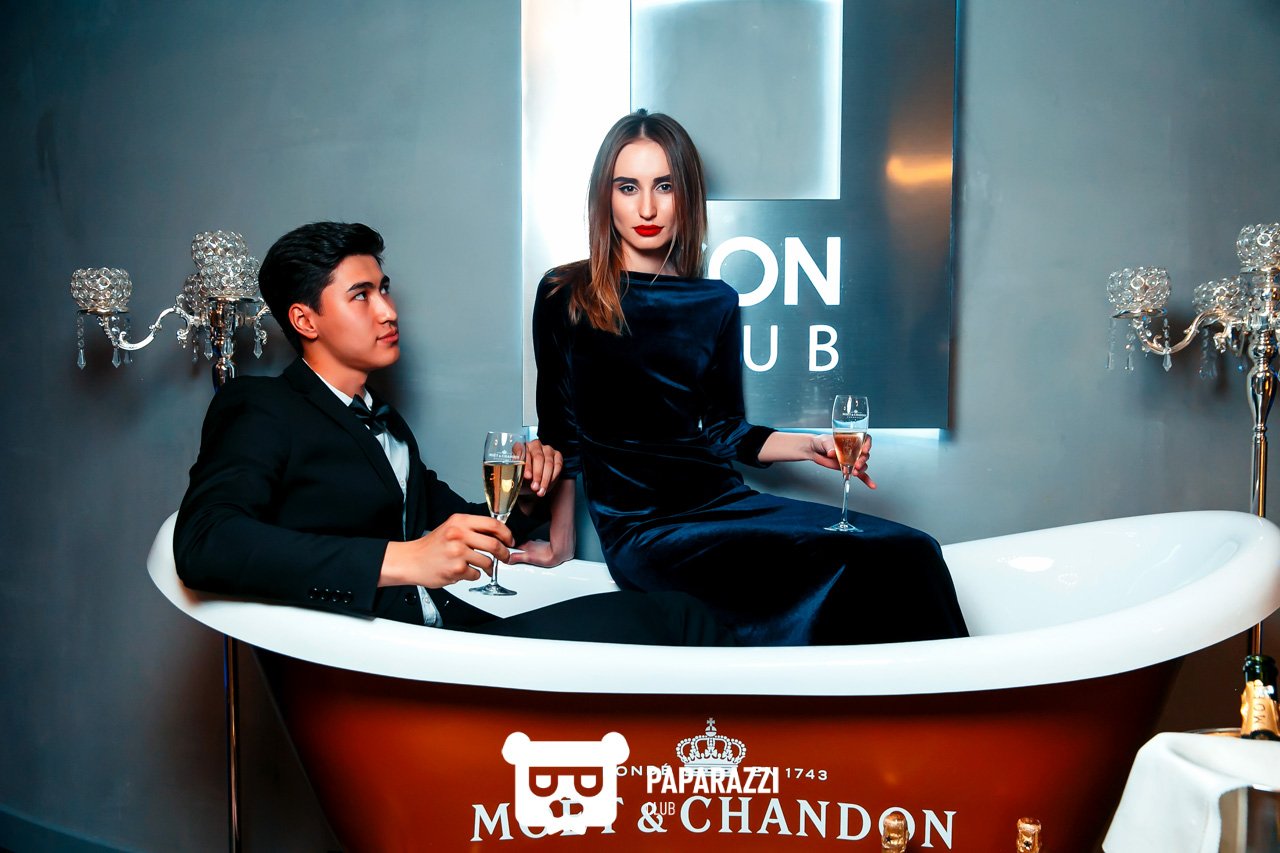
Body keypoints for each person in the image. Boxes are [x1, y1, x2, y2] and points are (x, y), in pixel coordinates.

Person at [175, 221, 730, 645]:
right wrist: (402, 559)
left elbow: (462, 522)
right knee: (677, 617)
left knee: (681, 607)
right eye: (361, 295)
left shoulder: (383, 421)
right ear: (305, 320)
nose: (388, 311)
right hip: (385, 657)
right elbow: (205, 543)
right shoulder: (261, 406)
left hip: (455, 633)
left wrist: (529, 493)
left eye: (384, 289)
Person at [532, 111, 969, 646]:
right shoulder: (566, 293)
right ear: (605, 196)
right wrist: (560, 543)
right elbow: (561, 435)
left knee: (912, 550)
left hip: (722, 501)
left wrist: (809, 446)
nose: (647, 208)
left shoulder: (715, 300)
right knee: (843, 570)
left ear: (686, 196)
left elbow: (723, 429)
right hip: (646, 530)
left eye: (664, 187)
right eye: (629, 187)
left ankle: (942, 698)